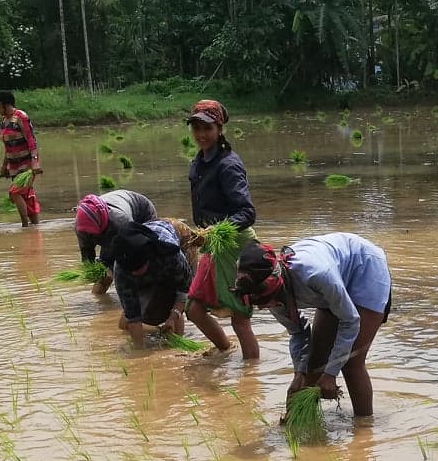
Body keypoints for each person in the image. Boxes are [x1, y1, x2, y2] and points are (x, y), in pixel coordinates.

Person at [232, 233, 392, 417]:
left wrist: (331, 374)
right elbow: (298, 333)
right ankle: (296, 425)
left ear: (279, 285)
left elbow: (350, 321)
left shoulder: (317, 275)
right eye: (259, 303)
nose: (265, 306)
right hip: (335, 280)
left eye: (268, 301)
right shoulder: (266, 296)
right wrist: (298, 373)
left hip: (366, 269)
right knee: (314, 363)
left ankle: (364, 432)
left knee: (351, 362)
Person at [182, 99, 259, 359]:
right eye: (196, 128)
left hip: (235, 245)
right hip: (214, 245)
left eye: (207, 128)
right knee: (193, 308)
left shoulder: (228, 165)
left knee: (240, 319)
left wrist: (215, 231)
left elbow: (247, 213)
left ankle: (251, 377)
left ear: (219, 129)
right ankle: (225, 350)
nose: (201, 135)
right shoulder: (200, 161)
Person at [110, 220, 193, 347]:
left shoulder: (170, 254)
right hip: (147, 246)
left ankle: (177, 346)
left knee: (172, 310)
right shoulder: (121, 267)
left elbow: (184, 289)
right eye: (131, 271)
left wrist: (172, 318)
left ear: (148, 258)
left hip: (178, 232)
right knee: (126, 323)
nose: (135, 273)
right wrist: (139, 350)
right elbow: (133, 315)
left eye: (138, 269)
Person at [74, 190, 157, 300]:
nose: (88, 235)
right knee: (104, 270)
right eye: (86, 233)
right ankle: (99, 299)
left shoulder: (120, 222)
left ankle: (146, 297)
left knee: (138, 262)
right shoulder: (81, 228)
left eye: (91, 232)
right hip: (109, 225)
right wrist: (92, 271)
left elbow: (131, 252)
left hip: (142, 212)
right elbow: (87, 256)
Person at [0, 90, 41, 227]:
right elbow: (8, 147)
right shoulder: (4, 121)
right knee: (26, 196)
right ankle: (35, 227)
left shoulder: (21, 117)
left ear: (2, 104)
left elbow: (31, 141)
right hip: (13, 166)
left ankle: (25, 226)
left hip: (27, 164)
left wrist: (35, 163)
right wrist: (4, 166)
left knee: (14, 192)